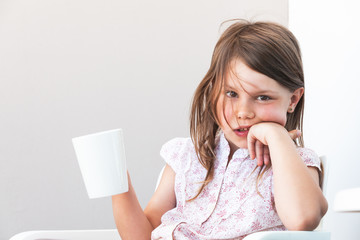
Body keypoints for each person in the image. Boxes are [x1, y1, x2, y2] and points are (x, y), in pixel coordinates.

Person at [112, 20, 328, 240]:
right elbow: (143, 235)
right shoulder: (187, 156)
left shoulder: (297, 163)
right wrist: (117, 182)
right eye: (231, 94)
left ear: (293, 99)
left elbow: (303, 219)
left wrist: (278, 137)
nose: (243, 112)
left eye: (263, 97)